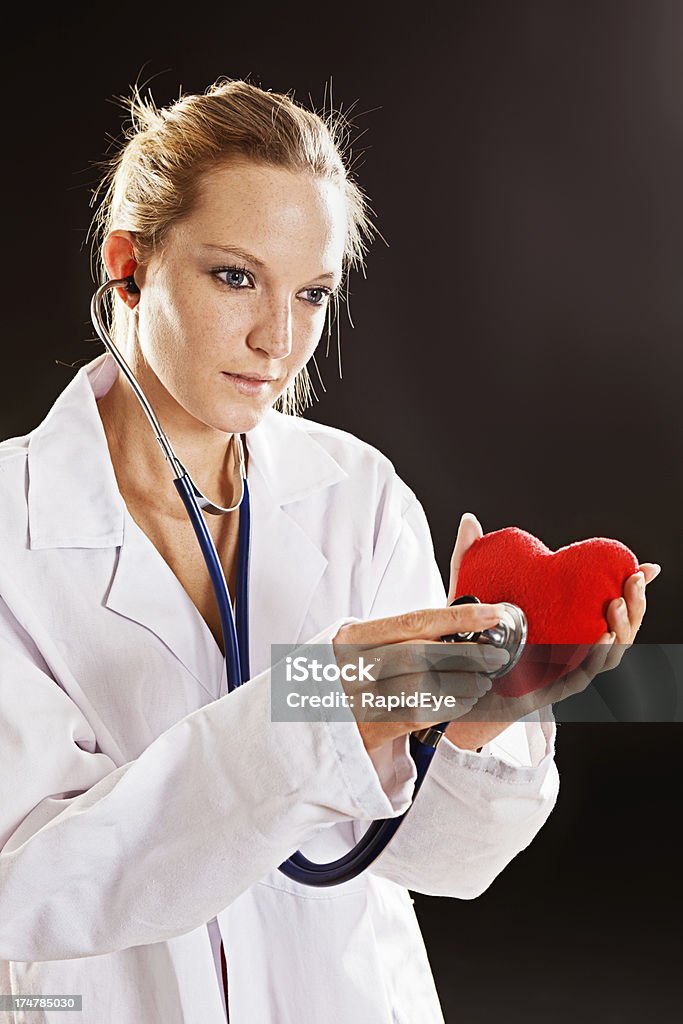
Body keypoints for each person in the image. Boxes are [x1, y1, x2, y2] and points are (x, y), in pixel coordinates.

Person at [0, 78, 657, 1024]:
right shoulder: (15, 531)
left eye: (311, 293)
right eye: (235, 276)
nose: (278, 339)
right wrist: (327, 706)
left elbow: (426, 857)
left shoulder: (353, 496)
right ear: (128, 265)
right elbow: (29, 881)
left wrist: (477, 723)